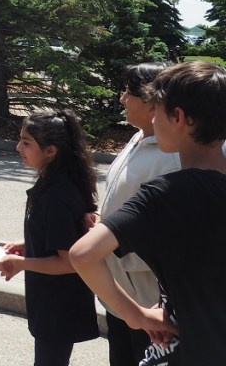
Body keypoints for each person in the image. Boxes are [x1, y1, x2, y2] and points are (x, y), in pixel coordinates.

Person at [70, 60, 226, 363]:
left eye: (158, 111)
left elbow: (83, 254)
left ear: (179, 117)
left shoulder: (164, 193)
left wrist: (136, 315)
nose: (154, 121)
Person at [0, 109, 99, 366]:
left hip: (59, 306)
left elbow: (68, 261)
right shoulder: (50, 183)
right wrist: (28, 246)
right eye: (20, 139)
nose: (18, 147)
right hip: (49, 300)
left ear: (51, 151)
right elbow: (56, 238)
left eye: (27, 143)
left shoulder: (56, 196)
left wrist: (22, 263)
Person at [97, 62, 179, 366]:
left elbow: (170, 233)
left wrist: (106, 245)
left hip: (146, 297)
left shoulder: (171, 156)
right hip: (121, 293)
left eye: (128, 92)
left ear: (151, 101)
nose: (121, 99)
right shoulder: (139, 138)